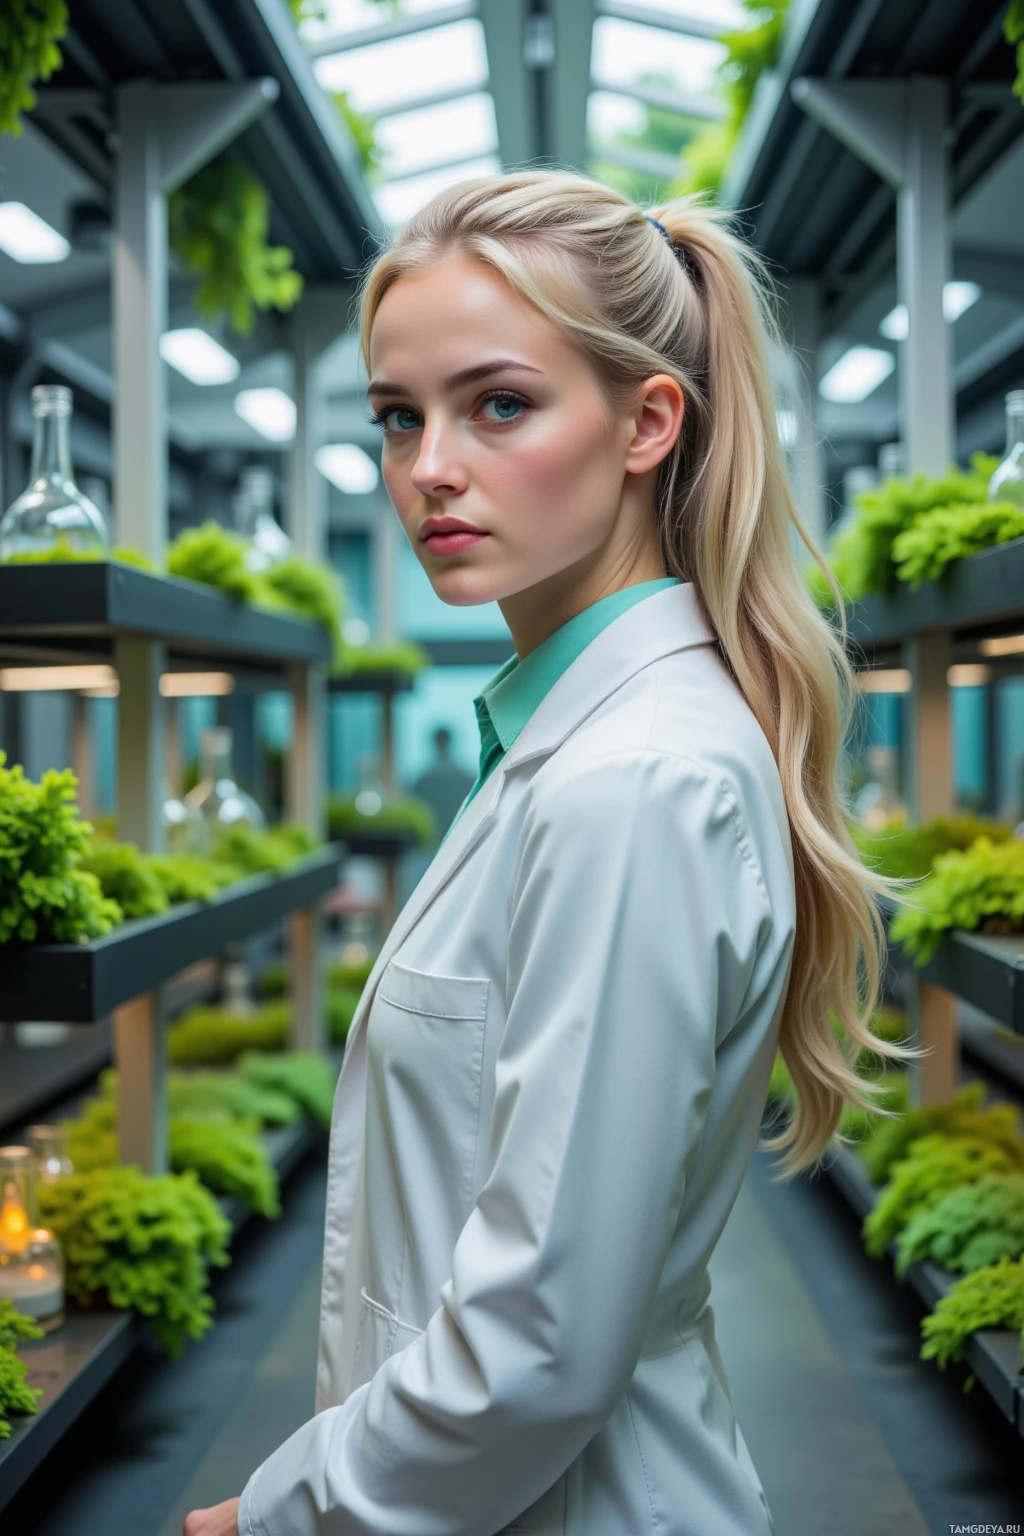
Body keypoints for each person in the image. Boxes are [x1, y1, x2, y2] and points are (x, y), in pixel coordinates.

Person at [185, 170, 919, 1536]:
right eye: (400, 418)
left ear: (648, 423)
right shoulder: (570, 743)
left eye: (498, 404)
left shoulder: (631, 783)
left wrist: (275, 1517)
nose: (429, 470)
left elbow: (542, 1344)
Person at [411, 725, 476, 840]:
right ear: (451, 743)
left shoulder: (422, 781)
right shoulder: (468, 778)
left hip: (431, 845)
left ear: (434, 743)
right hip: (460, 839)